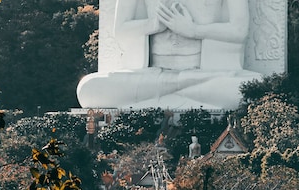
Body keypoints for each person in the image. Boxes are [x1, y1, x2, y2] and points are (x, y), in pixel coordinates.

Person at [76, 0, 261, 110]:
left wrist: (195, 30)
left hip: (204, 73)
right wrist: (153, 24)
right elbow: (121, 30)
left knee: (254, 88)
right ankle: (185, 94)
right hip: (151, 75)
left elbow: (239, 29)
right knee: (88, 89)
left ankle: (159, 96)